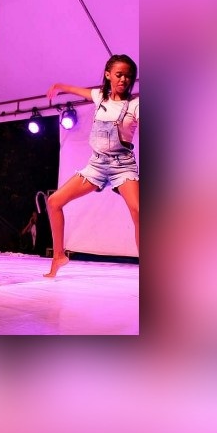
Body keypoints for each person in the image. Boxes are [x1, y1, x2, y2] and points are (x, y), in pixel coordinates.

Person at [43, 54, 139, 278]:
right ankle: (59, 256)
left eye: (128, 76)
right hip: (96, 165)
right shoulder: (99, 97)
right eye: (119, 74)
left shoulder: (135, 105)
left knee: (138, 210)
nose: (124, 79)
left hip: (122, 165)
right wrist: (58, 86)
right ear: (108, 75)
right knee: (54, 202)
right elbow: (77, 90)